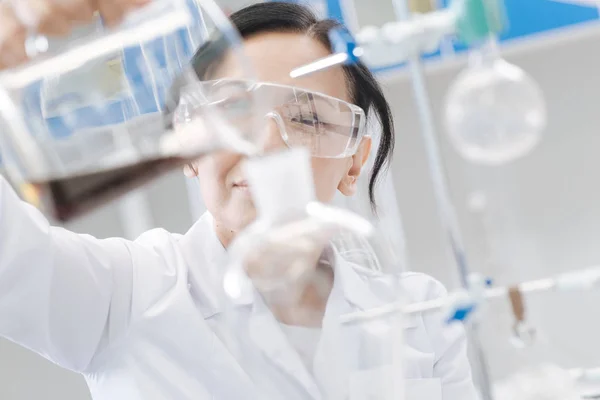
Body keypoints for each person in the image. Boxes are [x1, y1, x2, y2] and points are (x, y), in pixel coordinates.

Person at [0, 1, 478, 399]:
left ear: (354, 164)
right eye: (234, 110)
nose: (268, 143)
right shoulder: (121, 295)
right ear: (188, 147)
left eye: (308, 120)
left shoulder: (421, 312)